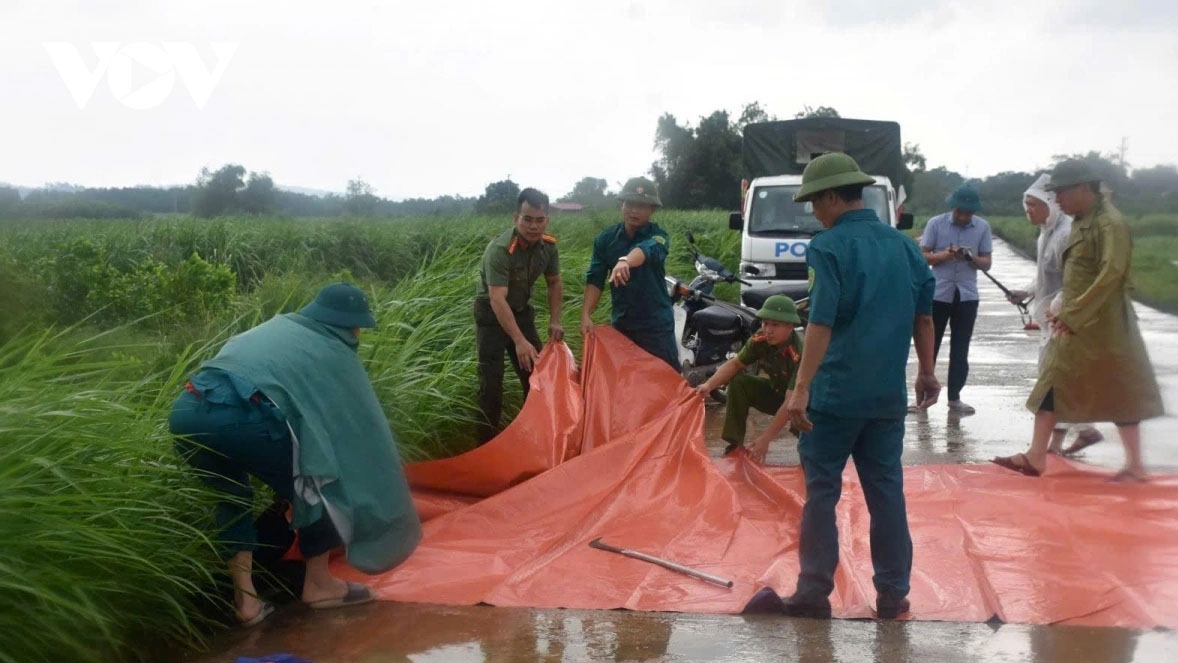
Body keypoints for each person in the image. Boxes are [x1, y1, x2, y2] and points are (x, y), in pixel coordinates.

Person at [168, 282, 422, 626]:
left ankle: (247, 603)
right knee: (322, 484)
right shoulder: (333, 348)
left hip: (187, 410)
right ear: (350, 325)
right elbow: (356, 430)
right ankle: (319, 586)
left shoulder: (281, 326)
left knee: (232, 501)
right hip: (239, 414)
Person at [780, 153, 939, 620]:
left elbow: (821, 323)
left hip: (834, 395)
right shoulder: (905, 247)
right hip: (886, 398)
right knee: (886, 493)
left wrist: (801, 387)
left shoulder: (829, 247)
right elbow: (924, 316)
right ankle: (893, 595)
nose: (814, 212)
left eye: (815, 202)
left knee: (822, 492)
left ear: (833, 197)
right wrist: (927, 372)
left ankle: (813, 591)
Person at [992, 160, 1164, 481]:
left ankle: (1135, 465)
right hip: (1076, 320)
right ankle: (1036, 455)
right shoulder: (1083, 221)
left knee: (1119, 390)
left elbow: (1111, 274)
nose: (1057, 199)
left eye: (1062, 192)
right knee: (1052, 382)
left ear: (1085, 188)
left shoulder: (1109, 224)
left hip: (1104, 324)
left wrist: (1072, 312)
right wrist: (1065, 310)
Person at [1004, 174, 1103, 455]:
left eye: (1033, 205)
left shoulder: (1066, 235)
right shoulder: (1045, 234)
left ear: (1051, 204)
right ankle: (1060, 442)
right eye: (1026, 206)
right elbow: (1044, 275)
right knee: (1055, 380)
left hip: (1065, 320)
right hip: (1051, 321)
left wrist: (1059, 305)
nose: (1028, 211)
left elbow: (1077, 280)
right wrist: (1025, 292)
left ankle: (1084, 430)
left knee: (1054, 381)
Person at [474, 188, 563, 443]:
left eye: (539, 220)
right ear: (516, 218)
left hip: (521, 311)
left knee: (537, 374)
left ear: (547, 220)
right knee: (491, 384)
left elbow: (555, 282)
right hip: (491, 315)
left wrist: (555, 320)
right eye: (527, 219)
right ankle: (485, 445)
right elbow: (497, 299)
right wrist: (519, 340)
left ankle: (536, 437)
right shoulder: (501, 250)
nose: (533, 226)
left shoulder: (548, 246)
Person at [580, 177, 678, 371]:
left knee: (666, 379)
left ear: (652, 210)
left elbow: (646, 250)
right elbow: (596, 279)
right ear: (621, 206)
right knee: (624, 382)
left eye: (642, 206)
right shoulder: (605, 239)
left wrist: (625, 261)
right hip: (623, 324)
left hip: (655, 326)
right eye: (629, 204)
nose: (634, 210)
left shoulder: (659, 237)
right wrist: (585, 314)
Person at [693, 295, 803, 463]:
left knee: (812, 455)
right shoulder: (761, 339)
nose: (768, 330)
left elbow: (791, 402)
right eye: (765, 323)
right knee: (739, 382)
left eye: (775, 324)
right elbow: (736, 364)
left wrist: (765, 439)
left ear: (791, 326)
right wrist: (708, 385)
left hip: (806, 404)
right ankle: (734, 444)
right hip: (778, 393)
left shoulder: (799, 352)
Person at [919, 183, 993, 414]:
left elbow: (986, 262)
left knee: (961, 348)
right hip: (938, 293)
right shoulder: (935, 224)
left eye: (968, 213)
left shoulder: (982, 227)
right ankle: (921, 396)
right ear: (953, 207)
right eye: (960, 211)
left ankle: (954, 397)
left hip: (967, 295)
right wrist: (945, 255)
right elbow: (923, 256)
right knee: (929, 346)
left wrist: (970, 257)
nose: (963, 216)